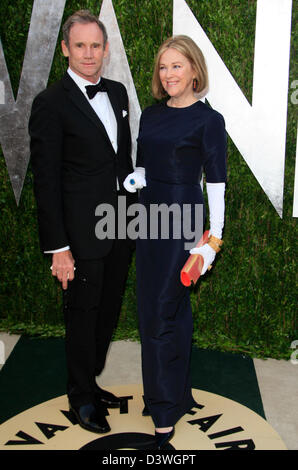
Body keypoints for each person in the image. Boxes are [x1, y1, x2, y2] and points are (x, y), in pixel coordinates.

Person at [29, 10, 136, 434]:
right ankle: (80, 396)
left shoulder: (118, 92)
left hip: (121, 226)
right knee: (82, 314)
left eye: (96, 46)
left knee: (108, 310)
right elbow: (46, 181)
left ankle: (91, 381)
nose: (89, 54)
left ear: (106, 50)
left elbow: (122, 162)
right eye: (80, 46)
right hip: (79, 234)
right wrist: (59, 247)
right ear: (65, 50)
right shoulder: (50, 103)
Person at [124, 35, 227, 449]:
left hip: (183, 219)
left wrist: (213, 240)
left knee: (162, 312)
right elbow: (145, 163)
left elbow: (216, 183)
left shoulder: (209, 120)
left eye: (177, 66)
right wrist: (139, 177)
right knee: (164, 309)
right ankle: (177, 394)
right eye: (163, 67)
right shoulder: (150, 115)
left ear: (195, 71)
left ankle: (164, 414)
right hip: (149, 218)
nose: (168, 74)